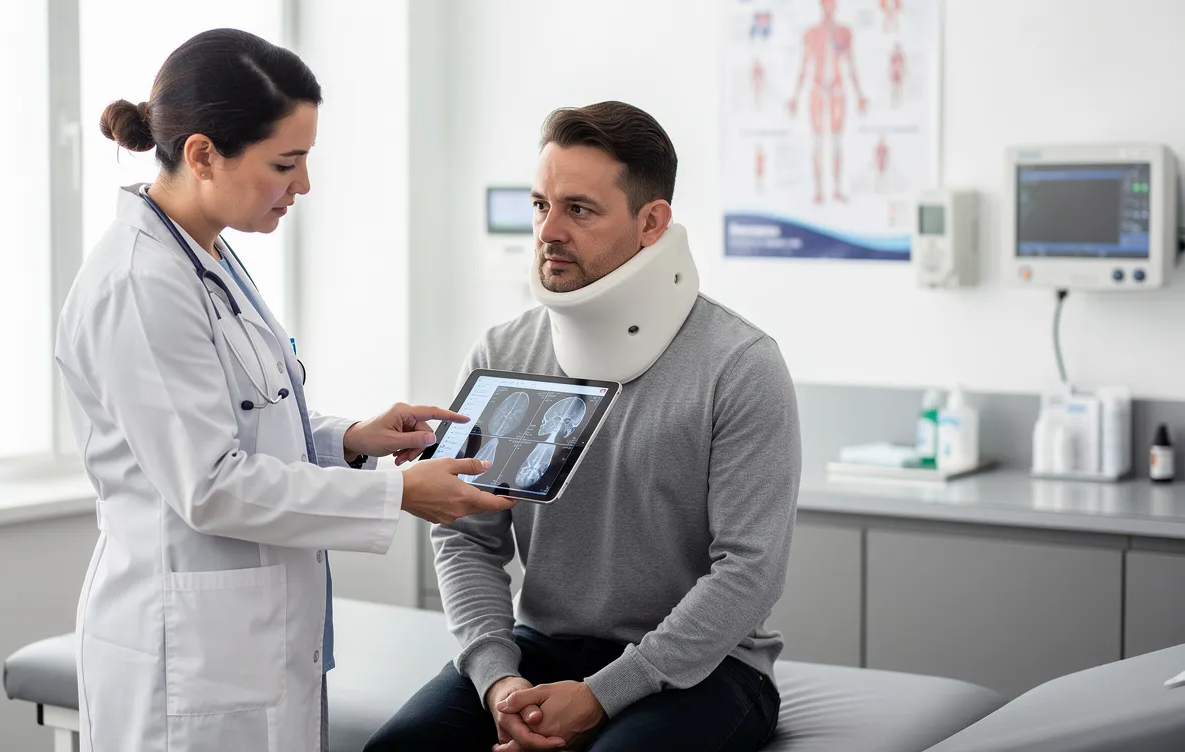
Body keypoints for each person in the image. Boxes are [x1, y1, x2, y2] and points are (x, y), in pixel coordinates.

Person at [54, 28, 513, 752]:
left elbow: (248, 419)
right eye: (285, 163)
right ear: (203, 155)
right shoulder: (142, 283)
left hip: (245, 643)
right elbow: (210, 486)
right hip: (186, 658)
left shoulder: (208, 257)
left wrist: (349, 440)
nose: (303, 186)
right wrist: (396, 493)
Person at [365, 101, 800, 751]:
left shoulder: (739, 365)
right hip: (542, 649)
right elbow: (466, 538)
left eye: (579, 209)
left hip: (708, 669)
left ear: (651, 223)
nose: (548, 231)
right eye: (540, 205)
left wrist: (602, 696)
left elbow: (748, 571)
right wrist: (498, 679)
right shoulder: (502, 353)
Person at [787, 0, 868, 204]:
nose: (830, 8)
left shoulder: (844, 33)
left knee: (836, 141)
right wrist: (795, 96)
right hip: (817, 90)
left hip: (837, 91)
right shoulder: (810, 34)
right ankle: (818, 190)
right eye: (826, 4)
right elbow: (804, 66)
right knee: (817, 141)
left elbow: (851, 65)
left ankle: (836, 189)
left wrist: (859, 94)